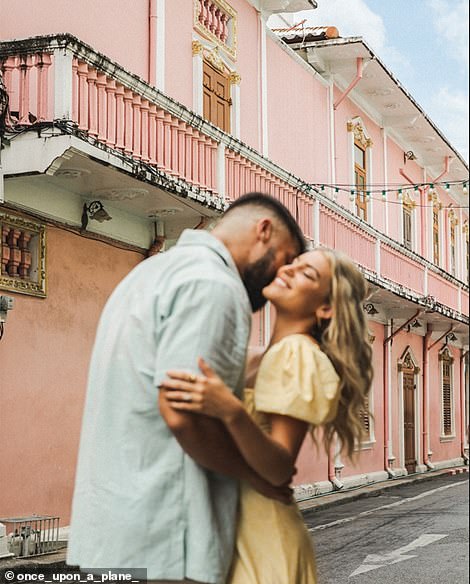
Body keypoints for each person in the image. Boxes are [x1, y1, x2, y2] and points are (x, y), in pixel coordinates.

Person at [66, 193, 305, 584]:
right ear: (264, 231)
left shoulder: (150, 273)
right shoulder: (213, 285)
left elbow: (197, 369)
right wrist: (255, 476)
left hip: (117, 536)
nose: (280, 276)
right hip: (167, 539)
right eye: (285, 259)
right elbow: (181, 411)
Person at [161, 247, 373, 584]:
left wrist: (229, 410)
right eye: (295, 264)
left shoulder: (297, 353)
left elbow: (278, 467)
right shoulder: (261, 356)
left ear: (325, 308)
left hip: (261, 536)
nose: (288, 269)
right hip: (231, 528)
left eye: (307, 274)